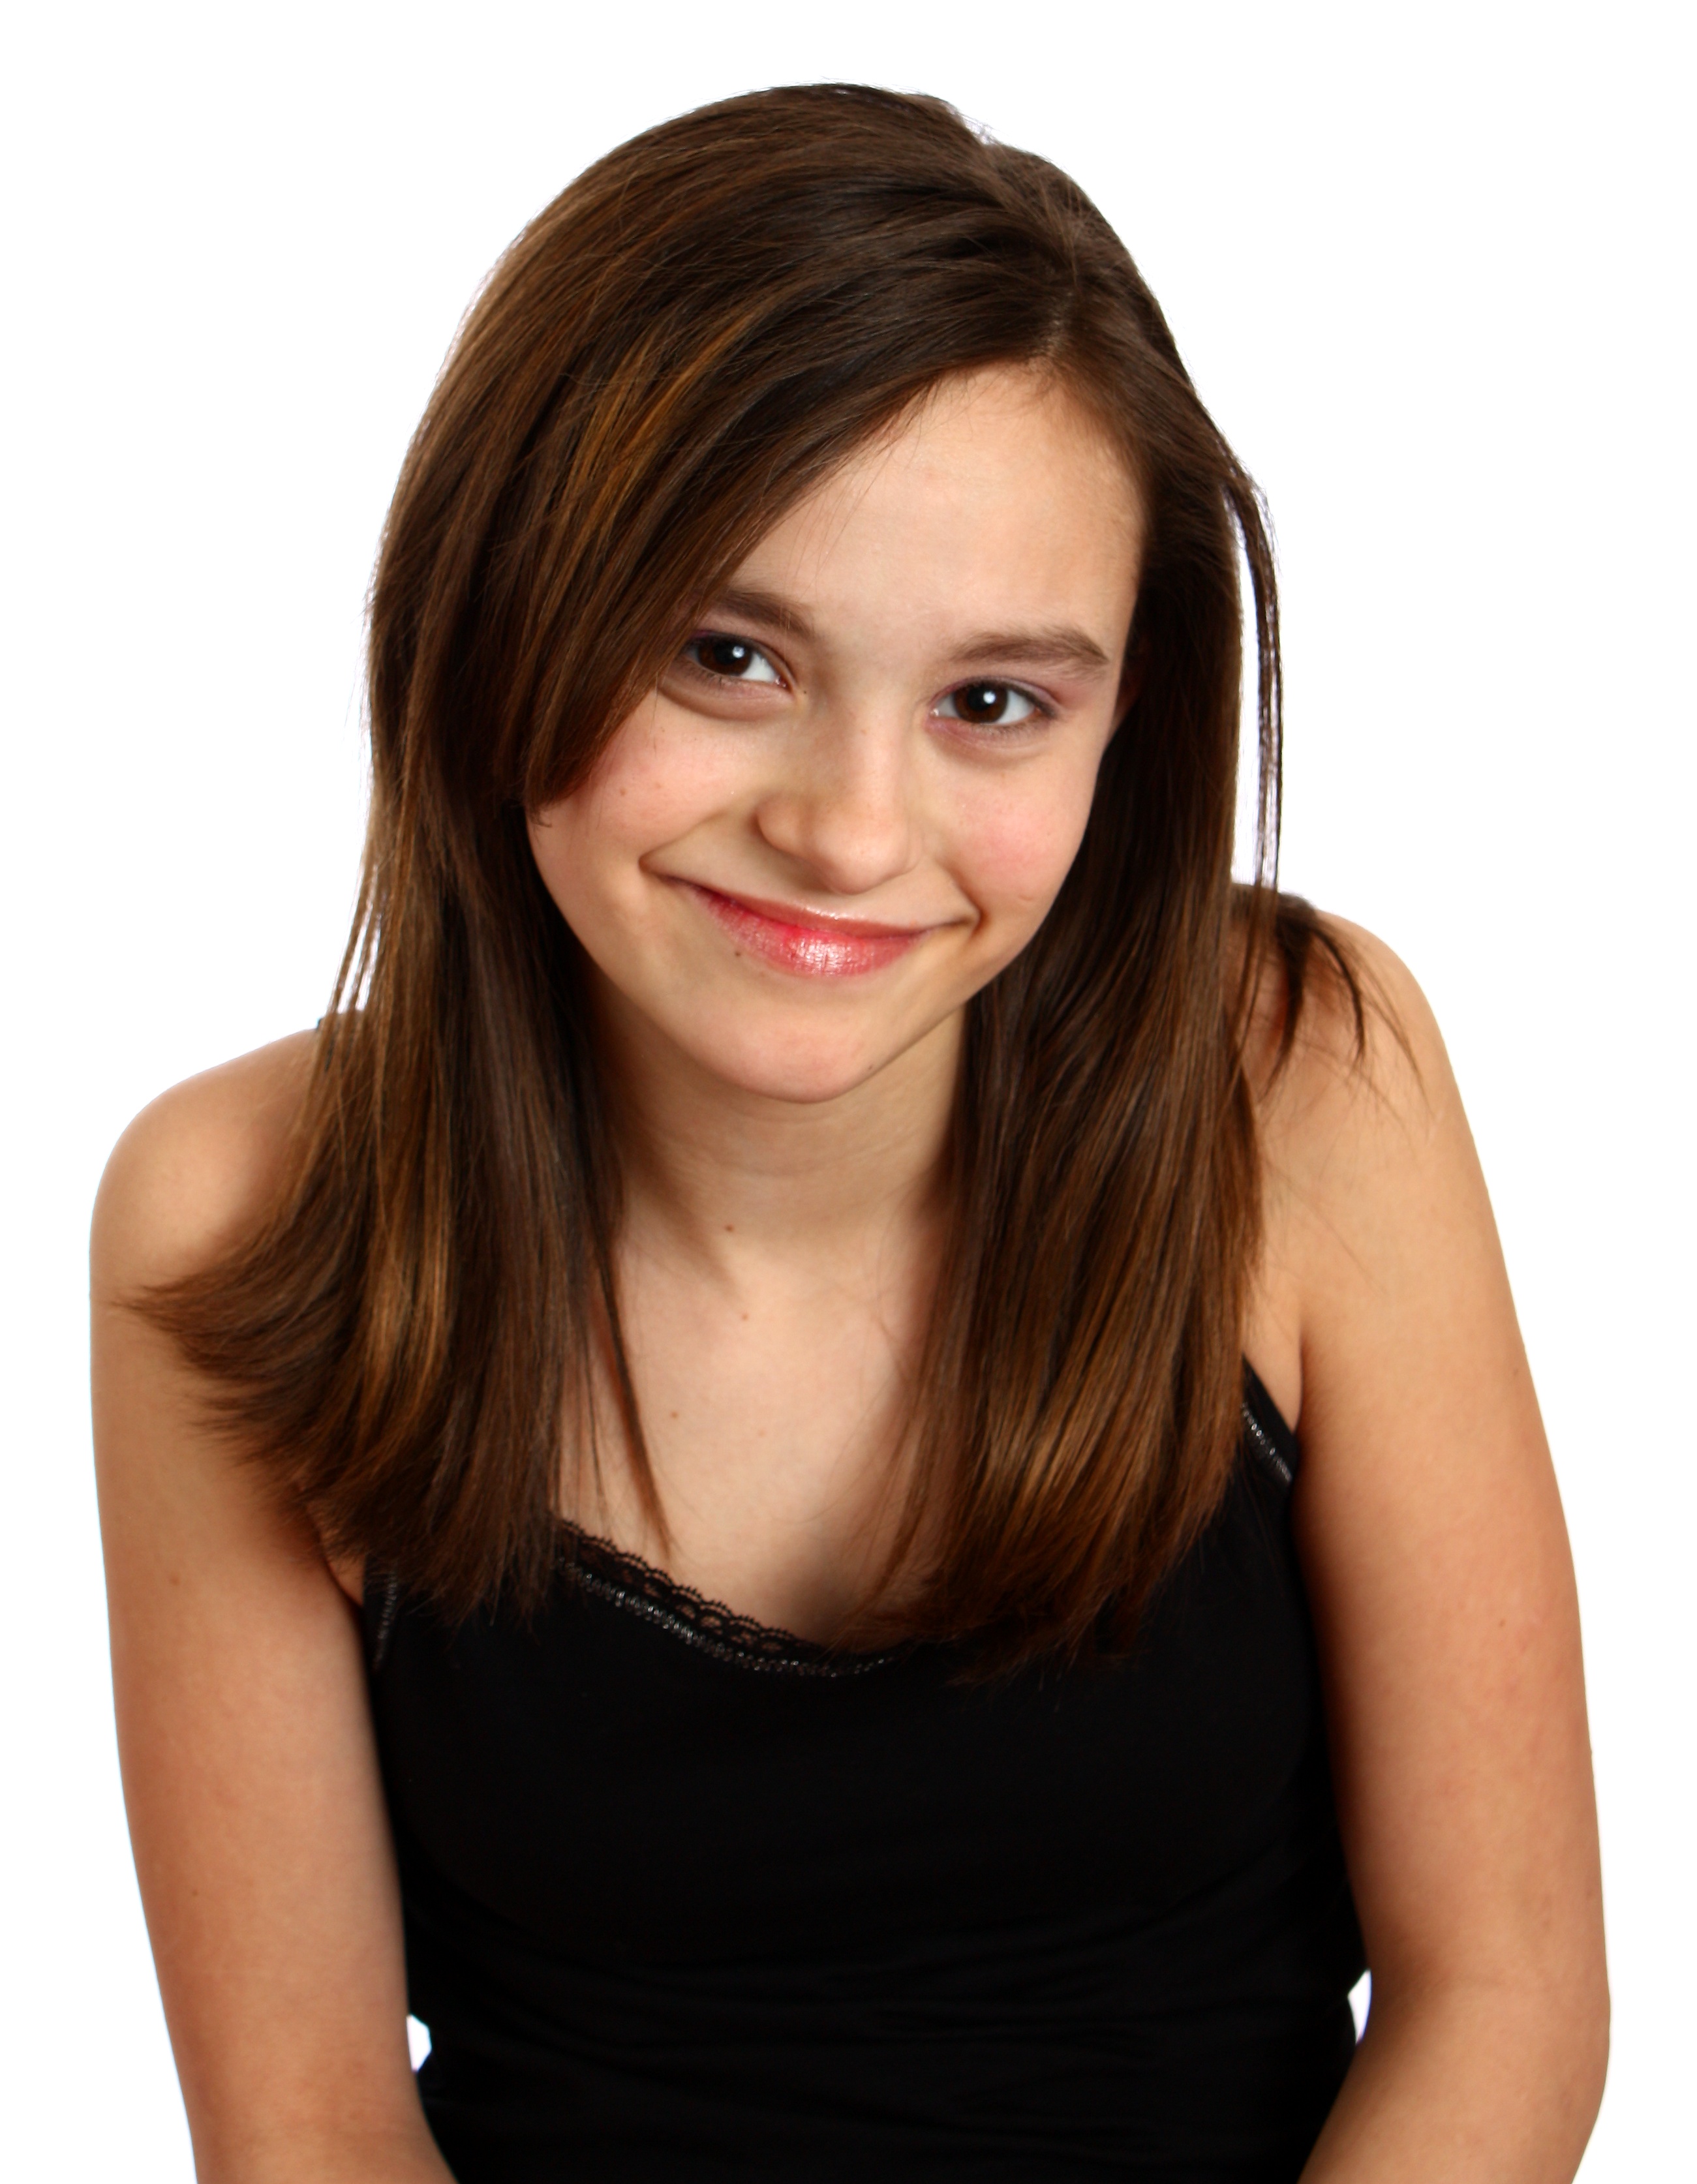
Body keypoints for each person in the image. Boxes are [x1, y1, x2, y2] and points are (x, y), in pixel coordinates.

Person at [90, 84, 1607, 2183]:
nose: (848, 831)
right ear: (501, 609)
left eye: (992, 702)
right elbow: (311, 2133)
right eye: (727, 654)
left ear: (1123, 722)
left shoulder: (1302, 1081)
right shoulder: (240, 1211)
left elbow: (1505, 1992)